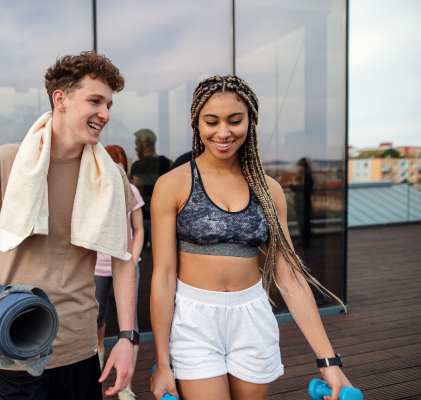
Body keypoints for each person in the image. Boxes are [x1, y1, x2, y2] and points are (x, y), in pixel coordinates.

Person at [0, 51, 139, 400]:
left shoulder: (111, 177)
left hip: (79, 348)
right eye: (95, 101)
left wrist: (128, 337)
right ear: (61, 99)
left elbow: (122, 259)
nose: (104, 114)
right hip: (9, 344)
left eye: (108, 104)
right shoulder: (5, 162)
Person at [149, 75, 352, 400]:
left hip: (252, 318)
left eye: (235, 120)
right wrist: (162, 362)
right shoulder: (173, 184)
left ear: (250, 122)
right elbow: (162, 276)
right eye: (211, 121)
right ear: (197, 124)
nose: (223, 132)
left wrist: (329, 361)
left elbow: (290, 276)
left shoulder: (268, 189)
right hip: (195, 321)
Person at [94, 145, 145, 400]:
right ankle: (100, 354)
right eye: (112, 161)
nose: (117, 166)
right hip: (97, 268)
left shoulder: (131, 189)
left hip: (125, 266)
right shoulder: (93, 187)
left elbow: (139, 229)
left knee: (130, 326)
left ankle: (126, 386)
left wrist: (132, 259)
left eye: (120, 162)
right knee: (97, 318)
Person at [129, 129, 172, 221]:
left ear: (145, 144)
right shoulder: (168, 163)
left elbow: (137, 191)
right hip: (166, 215)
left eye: (137, 144)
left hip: (145, 217)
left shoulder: (138, 165)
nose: (135, 148)